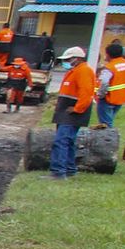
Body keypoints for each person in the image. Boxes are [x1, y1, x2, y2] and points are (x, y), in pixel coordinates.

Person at [49, 46, 98, 179]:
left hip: (72, 112)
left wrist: (77, 109)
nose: (66, 62)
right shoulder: (75, 71)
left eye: (68, 59)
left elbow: (86, 93)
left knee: (61, 141)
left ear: (77, 59)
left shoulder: (83, 71)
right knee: (68, 141)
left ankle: (59, 172)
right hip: (66, 111)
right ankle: (70, 169)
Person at [97, 41, 125, 127]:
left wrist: (100, 95)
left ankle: (109, 139)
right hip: (122, 97)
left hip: (108, 99)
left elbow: (104, 82)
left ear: (108, 54)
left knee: (106, 125)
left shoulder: (109, 67)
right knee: (109, 120)